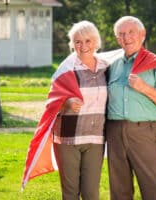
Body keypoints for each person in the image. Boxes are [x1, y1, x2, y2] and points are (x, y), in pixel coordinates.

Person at [106, 16, 156, 200]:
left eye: (131, 32)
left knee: (154, 188)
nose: (126, 37)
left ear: (142, 35)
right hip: (114, 132)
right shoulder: (112, 66)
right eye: (121, 34)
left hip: (144, 132)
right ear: (117, 39)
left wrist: (144, 88)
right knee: (119, 190)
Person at [53, 20, 108, 200]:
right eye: (78, 41)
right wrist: (67, 103)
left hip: (95, 137)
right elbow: (52, 101)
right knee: (70, 193)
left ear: (96, 42)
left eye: (88, 41)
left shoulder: (106, 68)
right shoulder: (66, 68)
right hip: (69, 137)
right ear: (72, 44)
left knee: (91, 193)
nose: (83, 46)